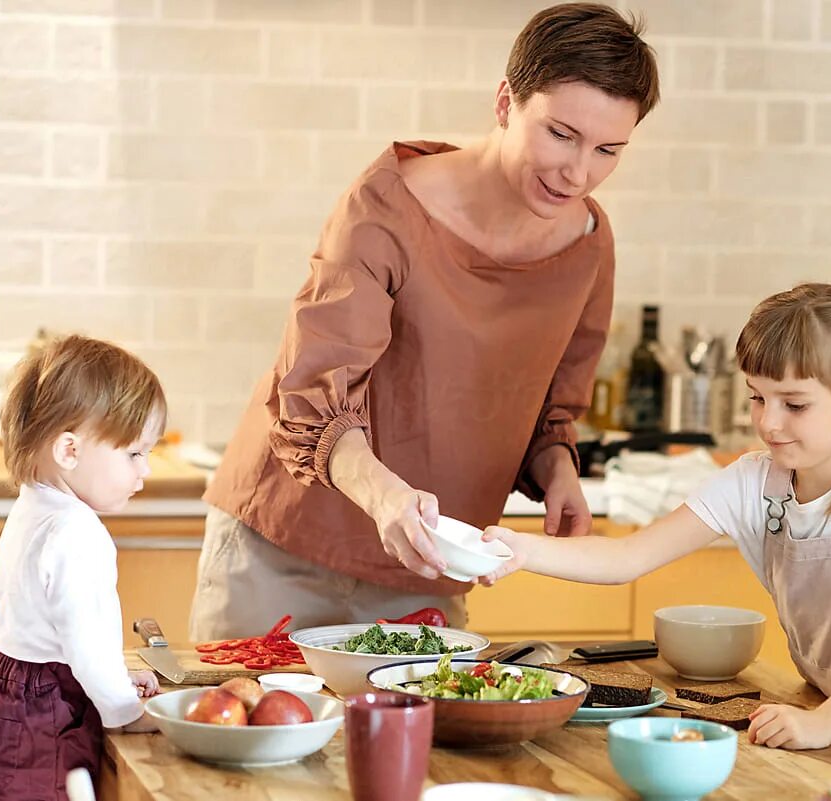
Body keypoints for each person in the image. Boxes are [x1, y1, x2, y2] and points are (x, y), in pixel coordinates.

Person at [190, 2, 660, 641]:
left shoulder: (588, 245)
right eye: (560, 134)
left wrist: (559, 473)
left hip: (428, 564)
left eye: (608, 149)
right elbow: (315, 392)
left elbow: (550, 409)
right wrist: (386, 498)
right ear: (505, 103)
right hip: (285, 545)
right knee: (247, 727)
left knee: (432, 743)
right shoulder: (387, 206)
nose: (579, 172)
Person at [479, 283, 831, 766]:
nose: (767, 423)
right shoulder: (757, 482)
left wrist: (823, 723)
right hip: (829, 716)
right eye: (757, 398)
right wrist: (523, 550)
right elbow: (627, 557)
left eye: (794, 404)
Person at [0, 335, 166, 800]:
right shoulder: (78, 532)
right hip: (38, 721)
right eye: (134, 453)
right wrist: (126, 710)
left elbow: (43, 625)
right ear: (70, 451)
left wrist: (109, 676)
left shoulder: (33, 508)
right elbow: (84, 640)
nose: (144, 472)